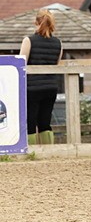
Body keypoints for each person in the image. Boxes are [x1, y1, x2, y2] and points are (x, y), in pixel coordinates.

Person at [19, 9, 63, 145]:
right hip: (50, 87)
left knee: (30, 121)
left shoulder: (28, 40)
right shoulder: (58, 43)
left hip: (32, 87)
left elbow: (21, 63)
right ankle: (48, 150)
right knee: (45, 121)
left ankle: (31, 151)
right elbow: (56, 63)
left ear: (35, 22)